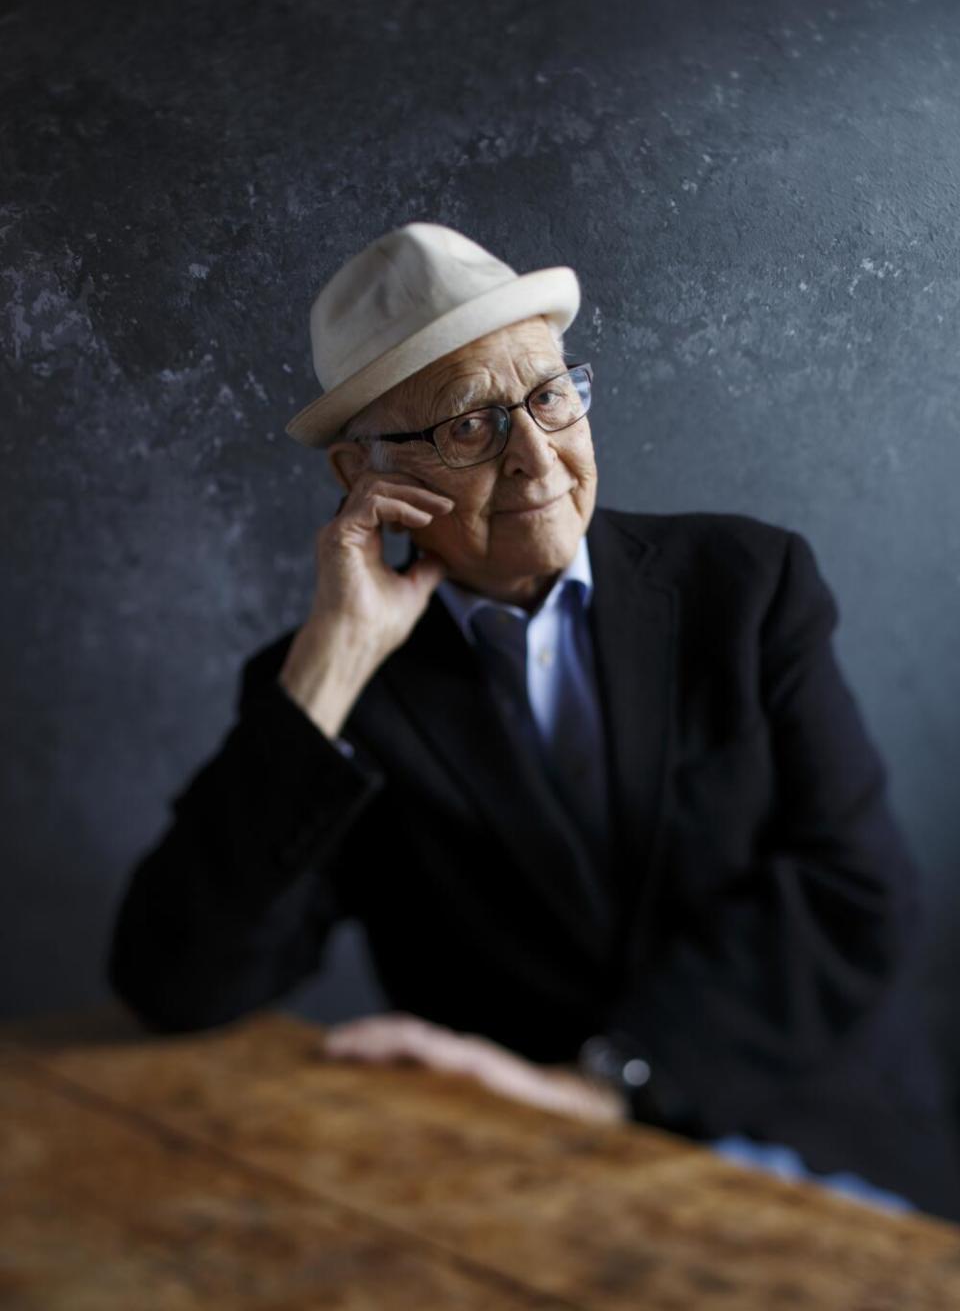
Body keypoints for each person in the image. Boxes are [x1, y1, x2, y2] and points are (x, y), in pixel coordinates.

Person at [107, 221, 960, 1218]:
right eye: (469, 426)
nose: (536, 459)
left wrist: (602, 1085)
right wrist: (333, 662)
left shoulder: (747, 587)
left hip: (807, 1145)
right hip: (524, 1190)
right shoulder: (331, 690)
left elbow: (856, 896)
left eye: (549, 396)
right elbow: (177, 984)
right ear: (362, 477)